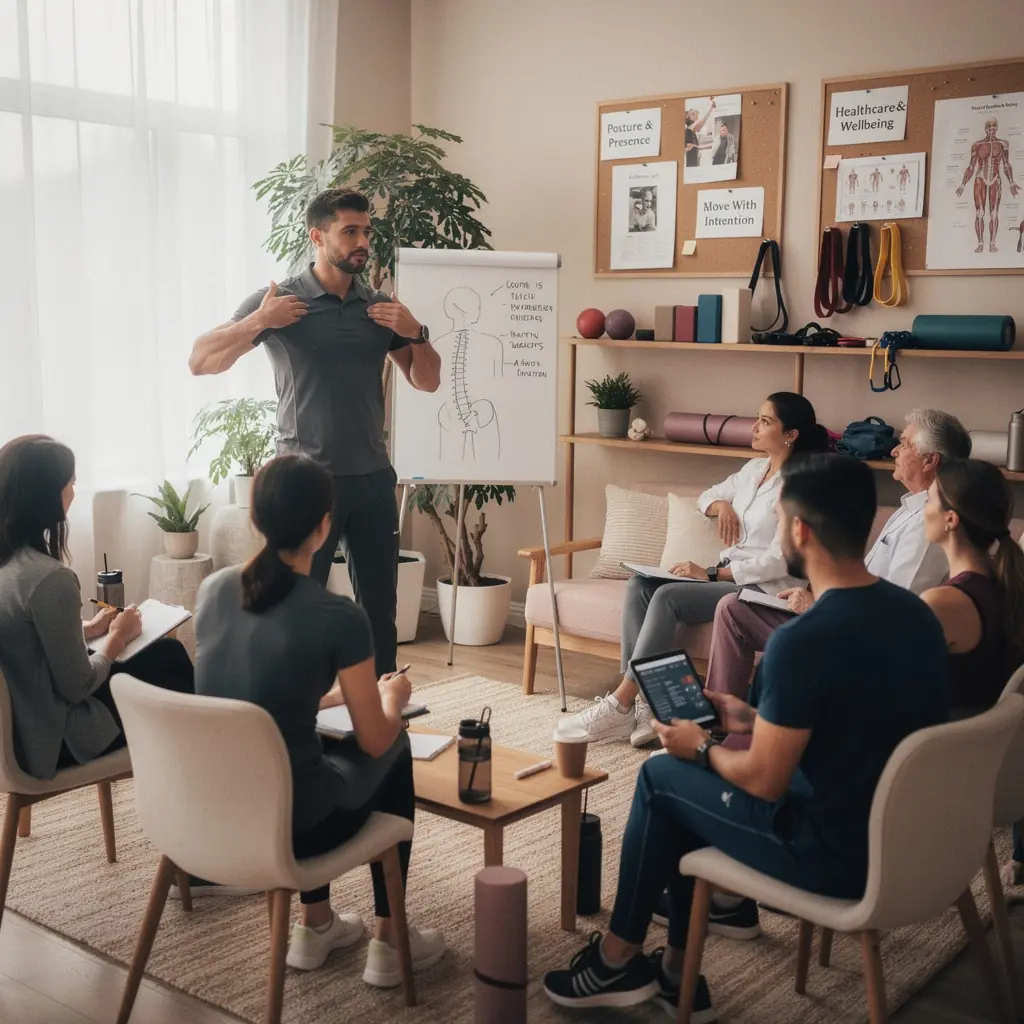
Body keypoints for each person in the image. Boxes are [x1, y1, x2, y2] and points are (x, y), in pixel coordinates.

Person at [543, 455, 949, 1019]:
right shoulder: (917, 617)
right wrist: (751, 719)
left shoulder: (802, 641)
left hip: (835, 858)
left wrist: (704, 747)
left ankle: (616, 960)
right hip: (910, 846)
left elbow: (763, 777)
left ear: (800, 530)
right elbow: (859, 719)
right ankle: (674, 973)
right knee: (687, 777)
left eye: (781, 519)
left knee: (665, 777)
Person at [193, 454, 444, 984]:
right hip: (297, 829)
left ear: (255, 520)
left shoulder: (214, 590)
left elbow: (260, 692)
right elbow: (375, 740)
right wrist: (392, 700)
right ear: (326, 524)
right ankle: (389, 940)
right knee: (396, 747)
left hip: (214, 815)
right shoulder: (338, 617)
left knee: (314, 738)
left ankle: (315, 923)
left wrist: (328, 701)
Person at [188, 188, 442, 679]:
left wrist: (417, 331)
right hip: (305, 483)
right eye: (350, 231)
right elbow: (201, 360)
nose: (362, 242)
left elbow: (426, 380)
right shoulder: (281, 302)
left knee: (379, 616)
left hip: (371, 480)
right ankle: (294, 711)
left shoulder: (381, 308)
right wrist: (260, 321)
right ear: (317, 236)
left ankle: (382, 713)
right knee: (292, 607)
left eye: (366, 231)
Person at [557, 393, 829, 750]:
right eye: (757, 418)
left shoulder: (801, 485)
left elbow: (780, 561)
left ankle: (621, 701)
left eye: (765, 421)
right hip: (726, 577)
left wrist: (715, 574)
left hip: (761, 589)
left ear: (791, 434)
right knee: (640, 584)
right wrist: (722, 506)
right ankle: (647, 706)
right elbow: (707, 496)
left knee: (669, 596)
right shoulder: (752, 470)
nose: (754, 426)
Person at [705, 408, 971, 702]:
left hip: (860, 644)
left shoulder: (928, 524)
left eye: (905, 443)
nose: (894, 450)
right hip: (848, 618)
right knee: (733, 606)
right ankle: (722, 716)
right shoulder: (909, 510)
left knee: (772, 640)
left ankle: (725, 722)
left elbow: (893, 616)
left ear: (930, 460)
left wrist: (817, 608)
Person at [0, 436, 194, 779]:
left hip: (19, 734)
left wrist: (87, 631)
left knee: (161, 656)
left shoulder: (10, 566)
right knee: (169, 657)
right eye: (70, 483)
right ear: (47, 495)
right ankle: (198, 770)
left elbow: (26, 646)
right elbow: (78, 686)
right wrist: (118, 637)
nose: (74, 491)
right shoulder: (49, 579)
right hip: (56, 740)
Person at [684, 100, 715, 167]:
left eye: (696, 114)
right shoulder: (688, 132)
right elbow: (700, 123)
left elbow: (700, 124)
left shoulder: (692, 133)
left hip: (694, 164)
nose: (695, 116)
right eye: (693, 114)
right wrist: (710, 109)